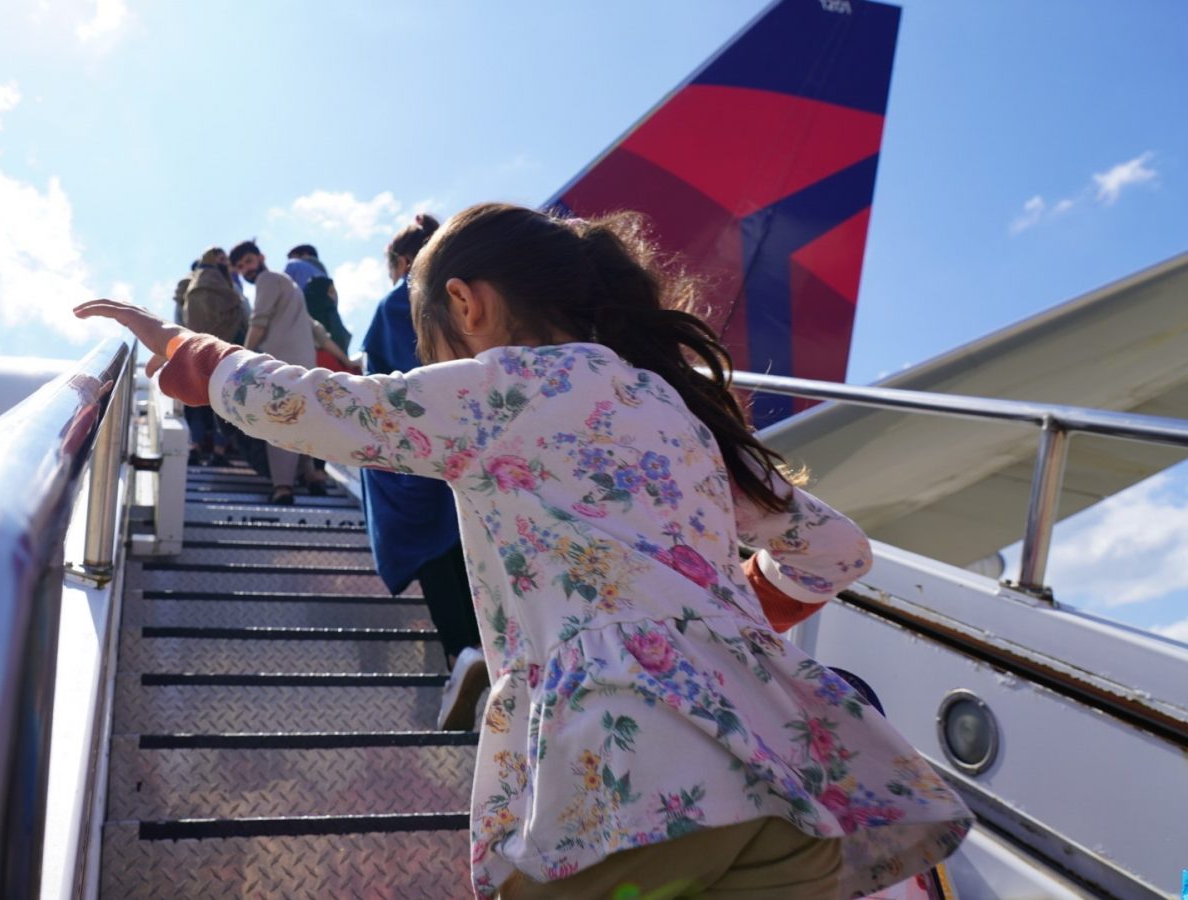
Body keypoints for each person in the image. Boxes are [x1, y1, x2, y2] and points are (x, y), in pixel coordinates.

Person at [75, 202, 971, 899]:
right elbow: (836, 549)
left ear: (467, 304)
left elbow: (338, 414)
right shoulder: (677, 414)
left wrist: (191, 352)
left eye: (433, 348)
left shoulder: (514, 385)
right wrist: (733, 618)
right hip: (786, 798)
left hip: (631, 789)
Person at [361, 213, 486, 730]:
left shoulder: (399, 302)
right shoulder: (469, 297)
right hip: (465, 447)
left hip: (410, 455)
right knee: (463, 551)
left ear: (402, 261)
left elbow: (379, 385)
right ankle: (480, 654)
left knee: (432, 556)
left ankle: (462, 656)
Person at [228, 239, 329, 503]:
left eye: (248, 262)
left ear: (261, 257)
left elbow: (258, 321)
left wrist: (243, 357)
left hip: (281, 363)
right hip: (305, 363)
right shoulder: (288, 283)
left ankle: (283, 486)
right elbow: (316, 329)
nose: (245, 270)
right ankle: (311, 475)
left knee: (278, 420)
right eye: (239, 267)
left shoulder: (267, 280)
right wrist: (345, 359)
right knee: (302, 420)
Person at [181, 247, 248, 466]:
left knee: (200, 404)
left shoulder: (191, 287)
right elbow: (238, 313)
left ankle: (198, 448)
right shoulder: (220, 284)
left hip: (198, 350)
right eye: (220, 259)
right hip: (220, 351)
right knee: (218, 404)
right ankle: (214, 450)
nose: (224, 263)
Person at [287, 243, 352, 357]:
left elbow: (286, 296)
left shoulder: (294, 265)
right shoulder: (325, 276)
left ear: (305, 254)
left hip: (308, 328)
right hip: (333, 331)